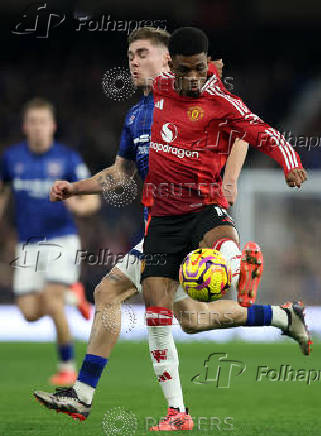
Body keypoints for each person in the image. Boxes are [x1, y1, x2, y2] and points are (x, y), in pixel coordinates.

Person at [33, 27, 265, 421]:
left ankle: (93, 396)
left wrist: (230, 179)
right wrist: (75, 188)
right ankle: (280, 314)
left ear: (168, 60)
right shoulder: (137, 114)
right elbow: (119, 175)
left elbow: (244, 127)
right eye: (130, 55)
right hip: (159, 229)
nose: (134, 61)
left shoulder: (195, 92)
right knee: (188, 318)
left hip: (194, 220)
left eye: (142, 53)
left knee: (112, 294)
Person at [138, 26, 310, 431]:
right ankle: (177, 413)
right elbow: (141, 65)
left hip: (204, 205)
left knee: (224, 248)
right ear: (172, 66)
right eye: (187, 70)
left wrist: (290, 161)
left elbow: (261, 131)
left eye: (201, 68)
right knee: (159, 316)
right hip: (163, 216)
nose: (195, 77)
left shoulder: (220, 100)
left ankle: (241, 267)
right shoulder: (160, 86)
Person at [0, 98, 100, 385]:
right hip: (27, 243)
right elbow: (3, 192)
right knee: (29, 312)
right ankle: (74, 296)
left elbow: (90, 202)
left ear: (53, 126)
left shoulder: (68, 159)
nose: (38, 128)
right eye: (33, 122)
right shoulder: (11, 158)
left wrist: (78, 206)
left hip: (61, 240)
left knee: (53, 301)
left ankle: (67, 366)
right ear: (25, 126)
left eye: (43, 122)